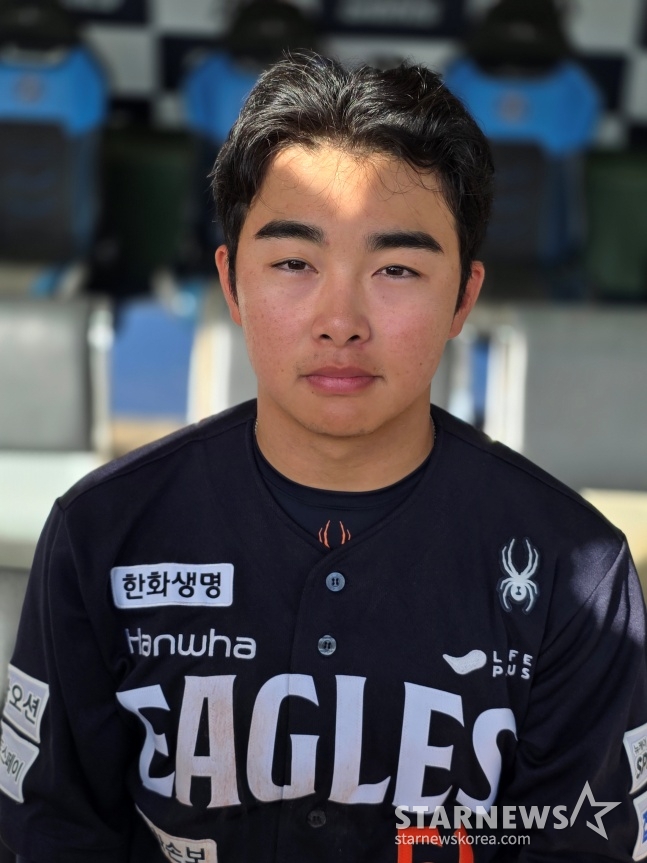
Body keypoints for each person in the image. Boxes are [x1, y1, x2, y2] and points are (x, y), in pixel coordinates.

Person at [1, 52, 645, 863]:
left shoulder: (573, 580)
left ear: (463, 297)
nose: (340, 319)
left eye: (397, 268)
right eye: (295, 263)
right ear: (232, 284)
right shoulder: (102, 535)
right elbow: (52, 829)